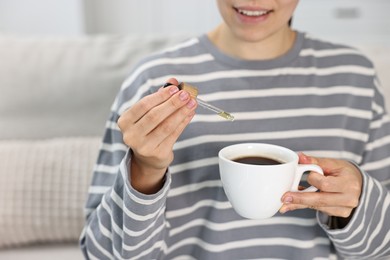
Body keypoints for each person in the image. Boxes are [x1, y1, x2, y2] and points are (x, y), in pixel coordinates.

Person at [80, 0, 390, 259]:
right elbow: (100, 254)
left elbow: (381, 248)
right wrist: (145, 170)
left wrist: (357, 203)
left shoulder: (355, 77)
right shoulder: (152, 82)